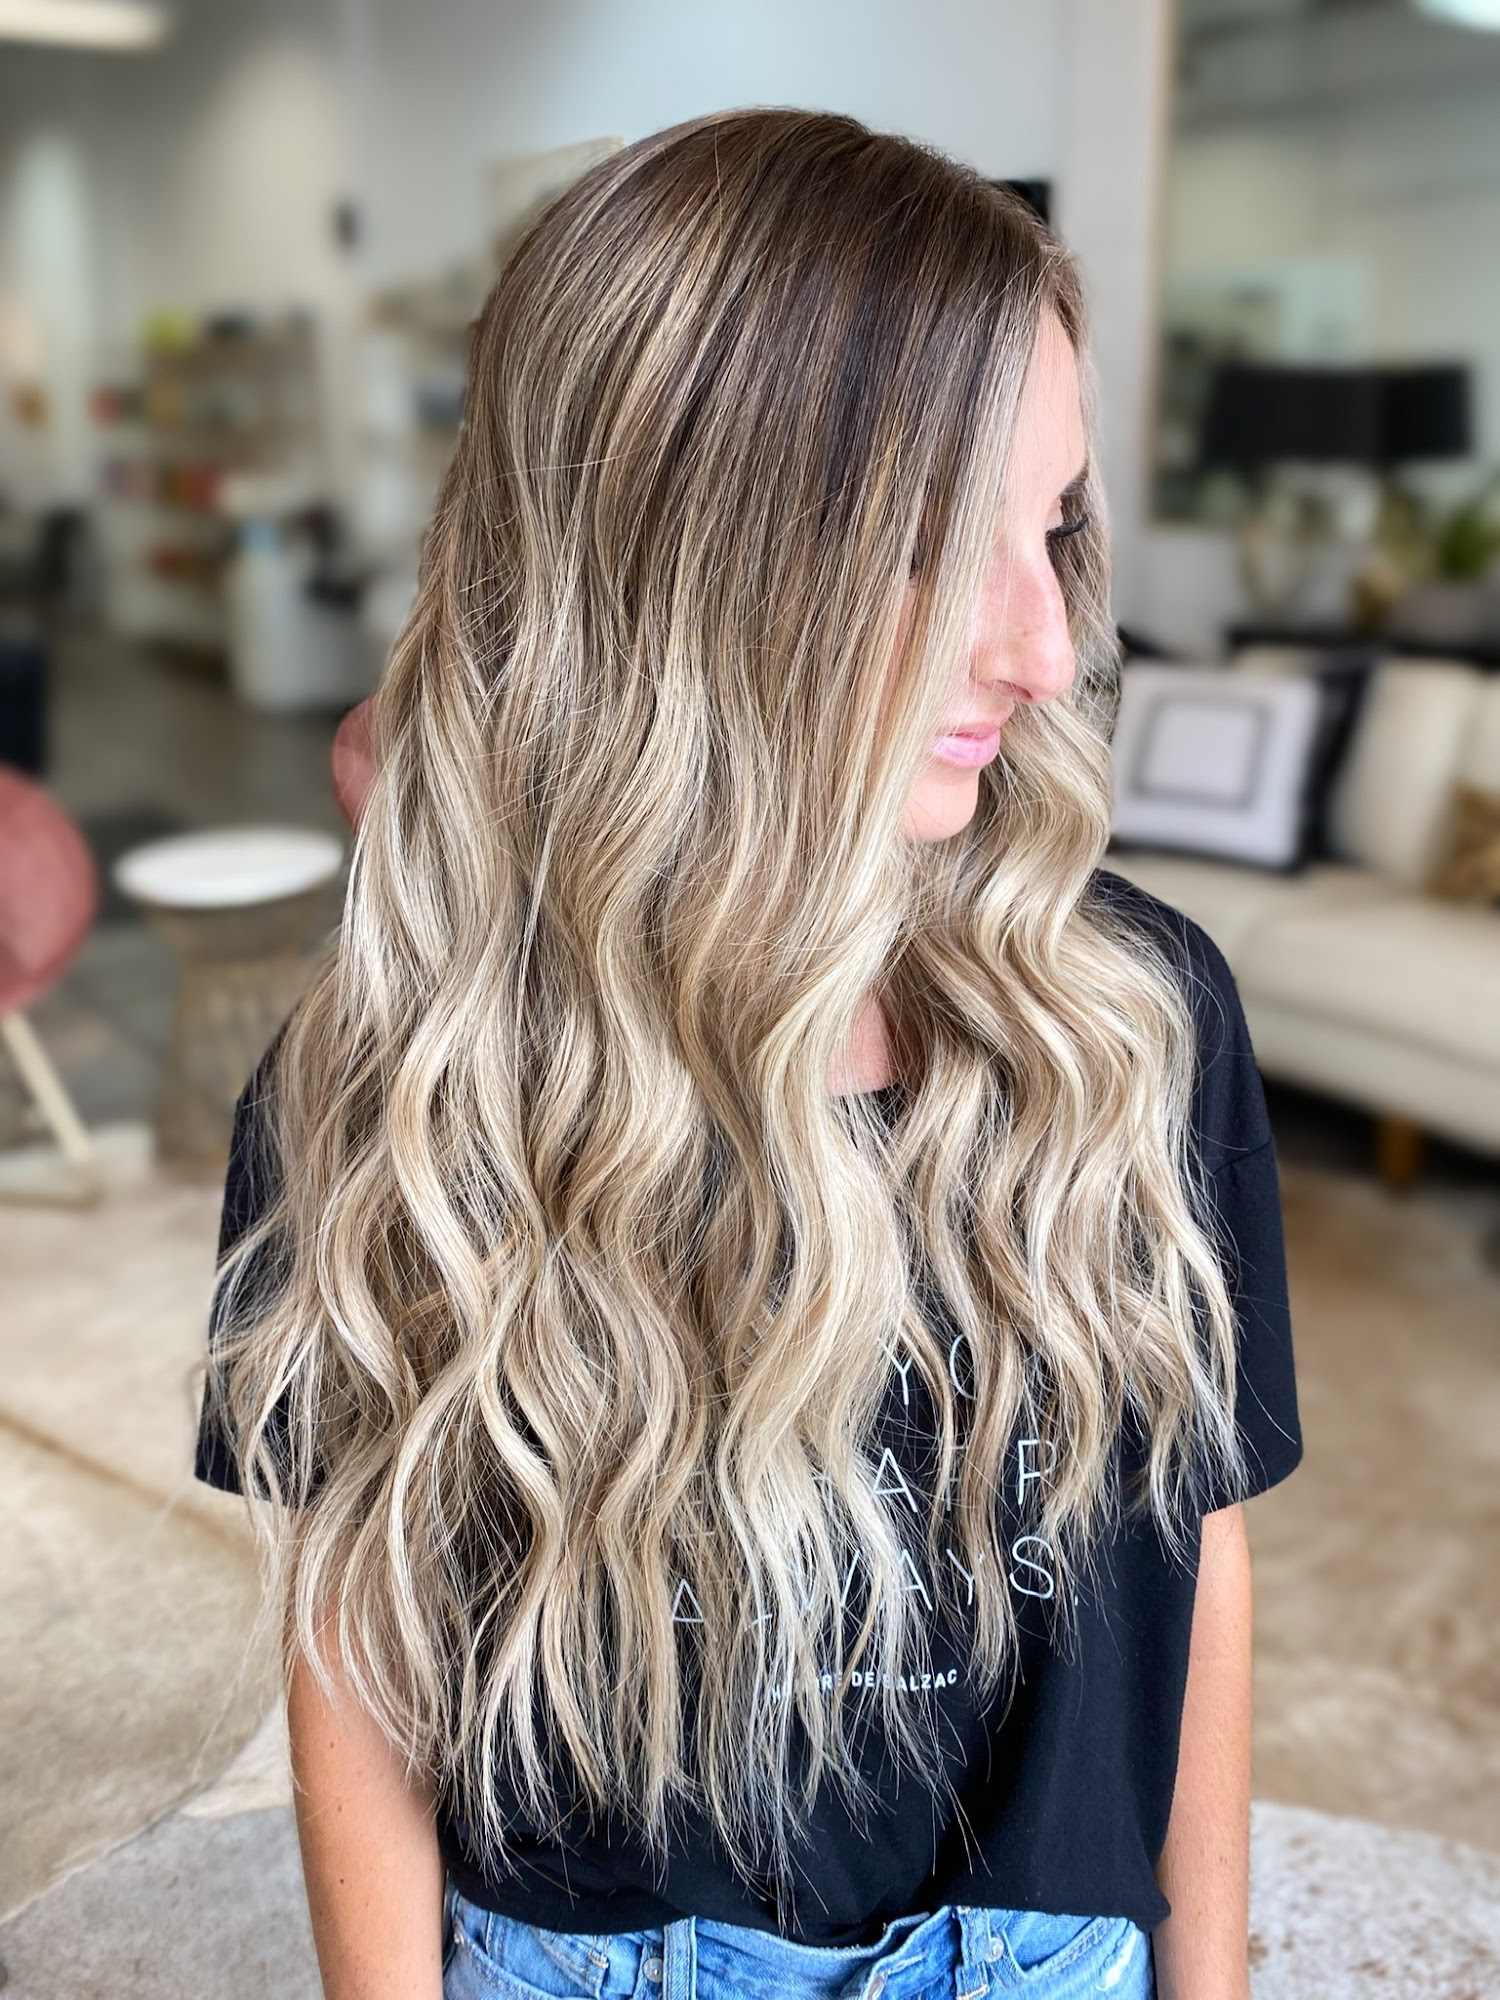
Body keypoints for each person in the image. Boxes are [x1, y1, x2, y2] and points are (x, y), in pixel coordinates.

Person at [194, 107, 1301, 2000]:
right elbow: (358, 1645)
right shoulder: (401, 1088)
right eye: (938, 544)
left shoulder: (1132, 1024)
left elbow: (1196, 1561)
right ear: (679, 562)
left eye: (1053, 530)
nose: (1047, 649)